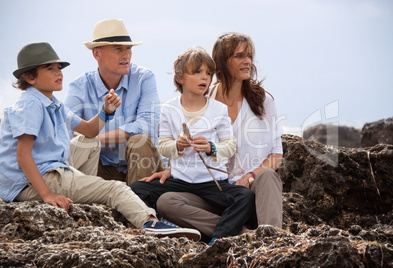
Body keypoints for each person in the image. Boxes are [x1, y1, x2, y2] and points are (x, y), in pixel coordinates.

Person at [0, 42, 201, 241]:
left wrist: (106, 111)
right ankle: (149, 222)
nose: (58, 73)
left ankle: (83, 194)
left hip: (50, 168)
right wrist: (47, 195)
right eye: (50, 68)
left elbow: (88, 130)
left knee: (89, 141)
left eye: (59, 68)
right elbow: (22, 155)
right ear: (30, 77)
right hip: (33, 181)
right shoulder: (30, 105)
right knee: (115, 188)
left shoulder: (53, 103)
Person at [146, 33, 284, 240]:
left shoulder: (263, 101)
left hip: (252, 195)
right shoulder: (202, 98)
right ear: (221, 63)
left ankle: (271, 239)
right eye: (239, 56)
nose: (247, 61)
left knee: (268, 176)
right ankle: (240, 235)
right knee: (167, 201)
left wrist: (249, 177)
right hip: (215, 194)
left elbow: (276, 155)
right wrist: (171, 169)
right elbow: (189, 147)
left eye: (249, 56)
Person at [130, 47, 255, 243]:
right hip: (180, 181)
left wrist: (211, 148)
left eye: (208, 73)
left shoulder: (219, 109)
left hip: (212, 183)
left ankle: (218, 238)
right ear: (180, 77)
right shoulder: (169, 109)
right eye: (197, 72)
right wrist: (177, 146)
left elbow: (230, 145)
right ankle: (170, 227)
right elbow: (163, 145)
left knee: (245, 197)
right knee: (137, 189)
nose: (204, 78)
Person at [65, 19, 165, 185]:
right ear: (97, 54)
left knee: (139, 141)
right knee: (77, 147)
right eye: (118, 49)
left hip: (144, 167)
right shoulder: (79, 86)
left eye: (128, 48)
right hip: (100, 168)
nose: (126, 55)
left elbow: (147, 125)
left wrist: (95, 137)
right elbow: (65, 132)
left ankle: (138, 204)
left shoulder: (144, 78)